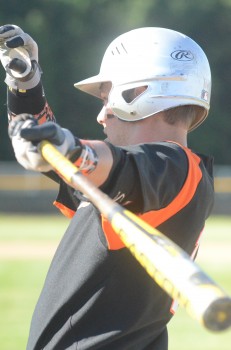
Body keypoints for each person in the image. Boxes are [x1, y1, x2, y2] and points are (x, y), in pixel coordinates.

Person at [0, 25, 214, 350]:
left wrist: (73, 150)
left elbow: (117, 165)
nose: (102, 116)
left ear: (139, 92)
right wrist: (26, 83)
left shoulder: (178, 169)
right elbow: (66, 150)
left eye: (107, 100)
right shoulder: (131, 184)